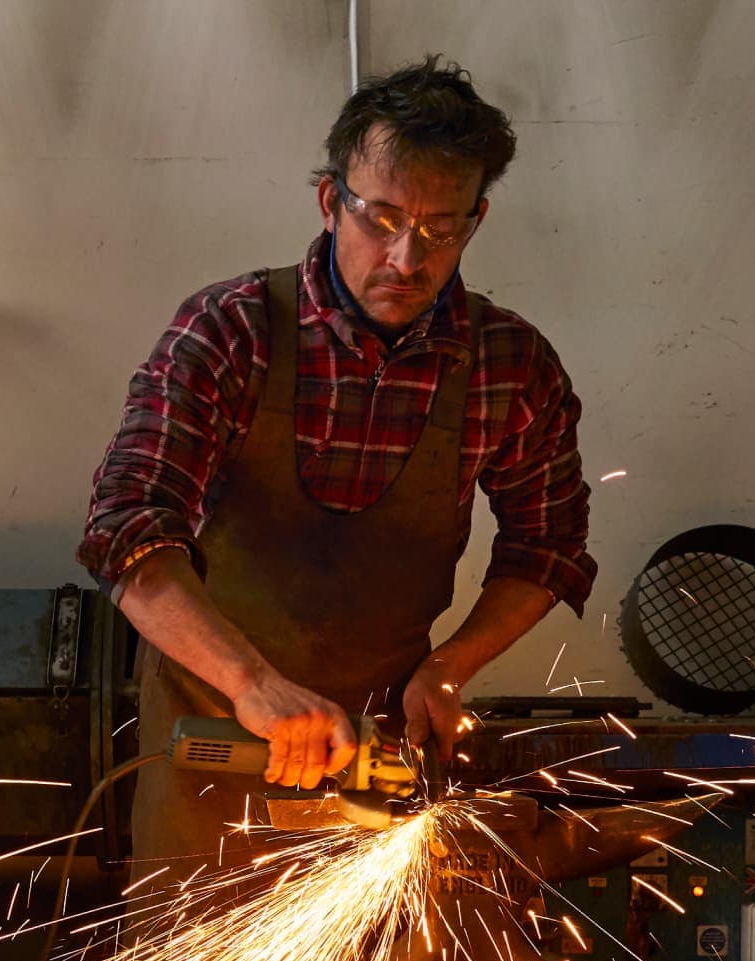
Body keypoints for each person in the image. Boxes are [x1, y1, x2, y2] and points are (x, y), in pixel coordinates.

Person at [77, 56, 595, 880]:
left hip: (382, 762)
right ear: (331, 200)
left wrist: (450, 667)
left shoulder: (511, 365)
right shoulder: (231, 332)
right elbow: (127, 535)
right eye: (381, 219)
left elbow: (550, 548)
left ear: (476, 221)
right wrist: (250, 683)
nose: (404, 257)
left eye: (439, 229)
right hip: (216, 752)